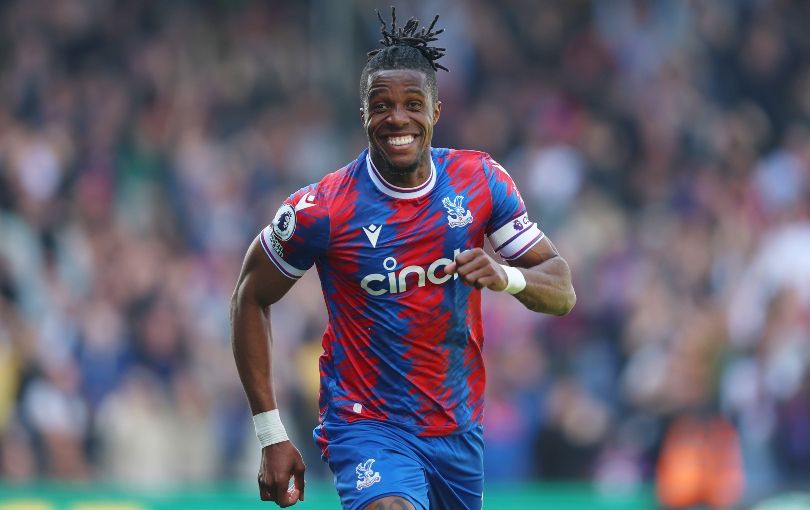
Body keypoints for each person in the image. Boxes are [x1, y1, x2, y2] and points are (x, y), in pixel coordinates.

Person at [231, 8, 576, 510]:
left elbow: (561, 289)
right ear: (363, 113)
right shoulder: (322, 209)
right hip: (366, 422)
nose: (398, 118)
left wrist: (506, 277)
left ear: (435, 112)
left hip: (457, 428)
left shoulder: (480, 182)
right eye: (381, 104)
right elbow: (249, 295)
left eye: (413, 104)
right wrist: (270, 432)